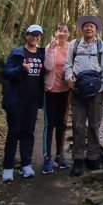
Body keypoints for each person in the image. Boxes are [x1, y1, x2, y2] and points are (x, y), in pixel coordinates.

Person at [64, 15, 103, 176]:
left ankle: (93, 157)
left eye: (92, 26)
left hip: (96, 91)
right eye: (86, 26)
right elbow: (68, 64)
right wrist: (68, 76)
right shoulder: (74, 44)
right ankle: (78, 159)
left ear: (96, 29)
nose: (89, 28)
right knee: (78, 125)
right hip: (78, 90)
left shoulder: (101, 45)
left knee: (94, 125)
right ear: (82, 28)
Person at [1, 24, 45, 182]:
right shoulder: (17, 53)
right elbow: (6, 72)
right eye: (32, 34)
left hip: (32, 101)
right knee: (14, 132)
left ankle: (26, 163)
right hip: (16, 100)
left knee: (28, 132)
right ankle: (8, 166)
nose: (35, 38)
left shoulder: (41, 55)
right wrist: (21, 69)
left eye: (38, 35)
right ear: (26, 35)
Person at [42, 22, 71, 174]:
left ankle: (60, 155)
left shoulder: (71, 48)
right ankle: (47, 157)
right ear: (55, 33)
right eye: (60, 31)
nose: (62, 33)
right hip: (51, 90)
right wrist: (52, 50)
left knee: (62, 124)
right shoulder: (49, 47)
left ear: (69, 34)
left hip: (65, 90)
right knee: (49, 124)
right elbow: (48, 67)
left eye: (65, 31)